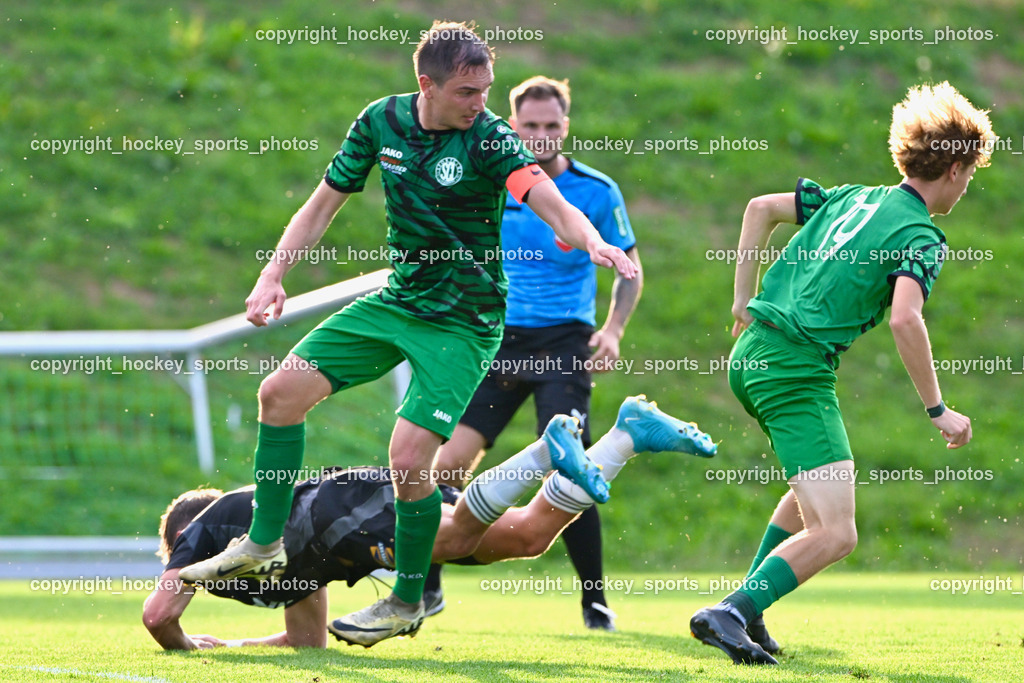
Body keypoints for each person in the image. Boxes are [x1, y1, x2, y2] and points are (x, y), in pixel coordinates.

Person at [178, 20, 637, 648]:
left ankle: (405, 599)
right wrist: (274, 272)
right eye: (469, 92)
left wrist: (590, 239)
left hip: (465, 320)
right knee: (278, 393)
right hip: (399, 301)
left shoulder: (491, 139)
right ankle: (262, 540)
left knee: (409, 462)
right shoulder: (381, 122)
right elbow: (321, 204)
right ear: (428, 84)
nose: (482, 104)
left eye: (487, 90)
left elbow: (547, 197)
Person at [689, 81, 995, 665]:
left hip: (754, 351)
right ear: (954, 168)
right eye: (971, 174)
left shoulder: (851, 197)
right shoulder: (920, 233)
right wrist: (939, 409)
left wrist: (739, 302)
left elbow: (759, 209)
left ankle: (750, 614)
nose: (966, 186)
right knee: (838, 532)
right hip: (794, 369)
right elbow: (907, 319)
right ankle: (731, 612)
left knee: (808, 496)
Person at [143, 396, 716, 650]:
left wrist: (190, 645)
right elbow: (306, 641)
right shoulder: (281, 562)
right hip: (345, 520)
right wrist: (237, 645)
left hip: (344, 511)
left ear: (180, 540)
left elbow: (158, 616)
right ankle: (628, 435)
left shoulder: (202, 532)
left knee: (462, 533)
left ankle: (544, 452)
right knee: (527, 537)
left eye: (175, 557)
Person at [432, 75, 642, 631]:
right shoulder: (491, 182)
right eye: (531, 126)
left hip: (563, 343)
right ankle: (423, 583)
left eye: (552, 125)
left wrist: (614, 329)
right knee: (445, 461)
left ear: (565, 126)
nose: (542, 135)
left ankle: (594, 600)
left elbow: (629, 271)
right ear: (513, 125)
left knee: (569, 460)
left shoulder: (596, 191)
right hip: (496, 340)